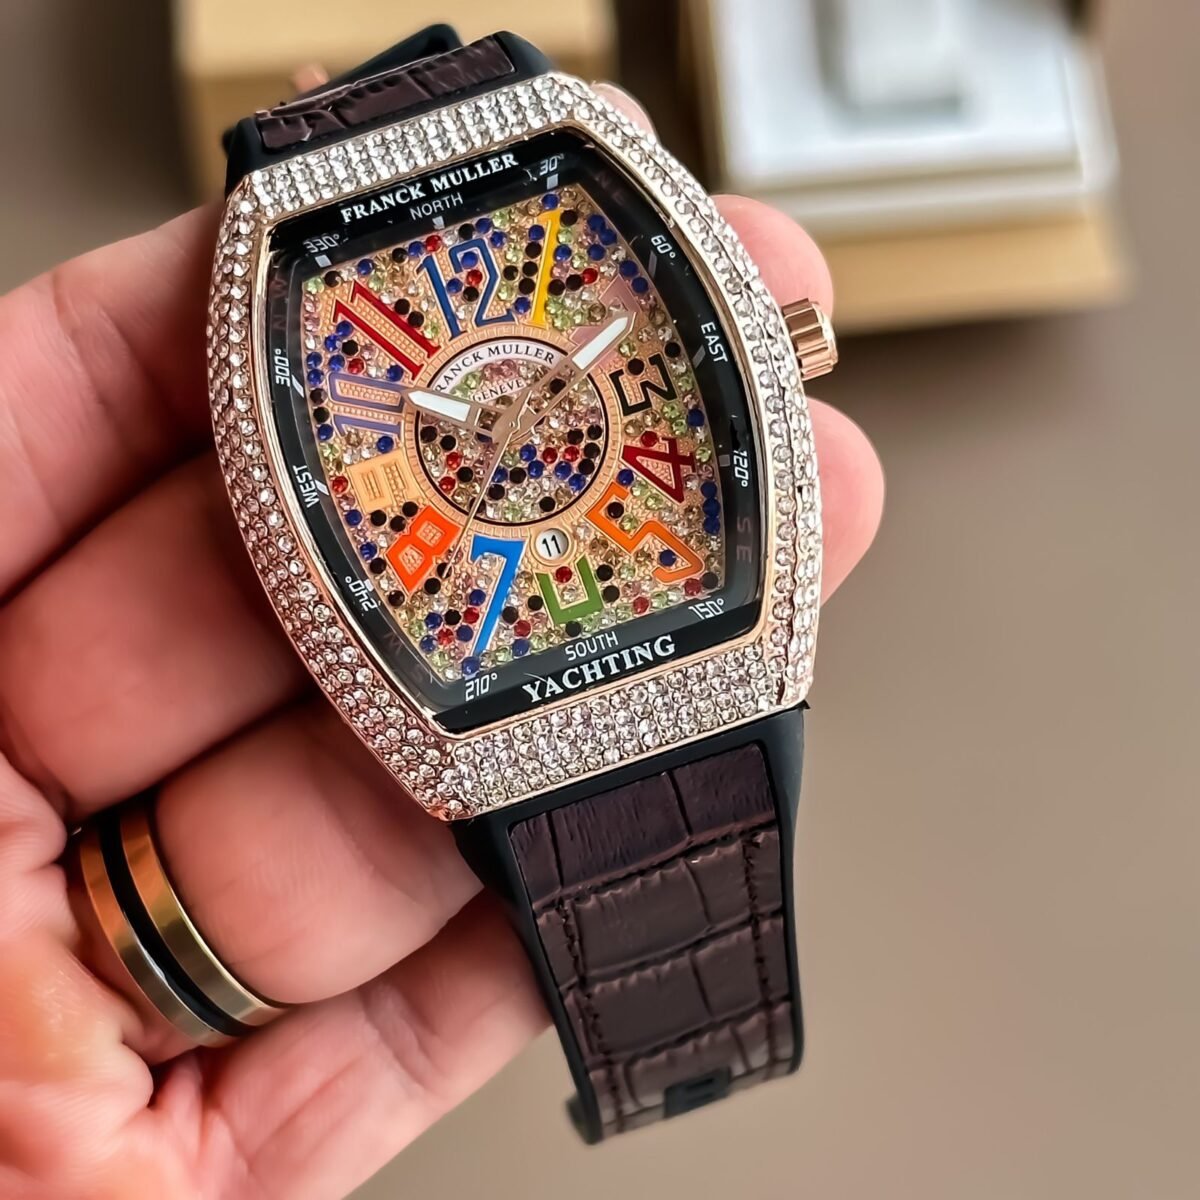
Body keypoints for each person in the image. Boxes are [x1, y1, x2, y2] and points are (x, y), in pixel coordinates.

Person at [0, 86, 884, 1199]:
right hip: (492, 708)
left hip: (696, 650)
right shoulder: (289, 269)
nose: (515, 421)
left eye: (528, 407)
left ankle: (695, 1054)